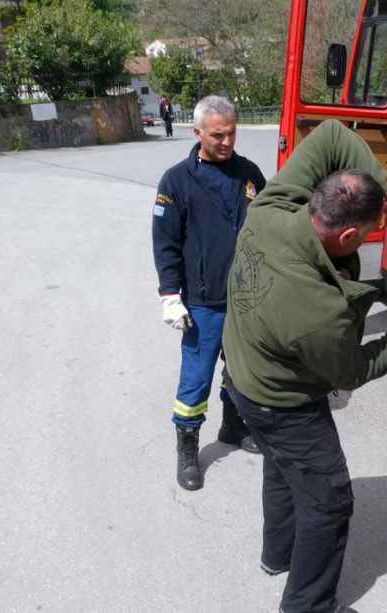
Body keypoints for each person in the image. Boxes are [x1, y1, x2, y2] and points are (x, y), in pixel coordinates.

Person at [222, 119, 387, 613]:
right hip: (283, 404)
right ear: (345, 235)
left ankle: (277, 556)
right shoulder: (321, 310)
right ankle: (307, 606)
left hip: (243, 378)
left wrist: (383, 195)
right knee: (330, 499)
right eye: (366, 233)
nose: (369, 238)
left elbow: (332, 134)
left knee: (280, 468)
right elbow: (350, 374)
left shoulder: (270, 208)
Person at [152, 95, 266, 491]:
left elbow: (267, 227)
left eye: (232, 132)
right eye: (218, 135)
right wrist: (170, 295)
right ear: (197, 131)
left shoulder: (249, 175)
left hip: (245, 300)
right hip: (203, 304)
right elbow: (165, 243)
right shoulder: (177, 181)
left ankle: (233, 428)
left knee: (239, 372)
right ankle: (187, 447)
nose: (227, 141)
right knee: (196, 380)